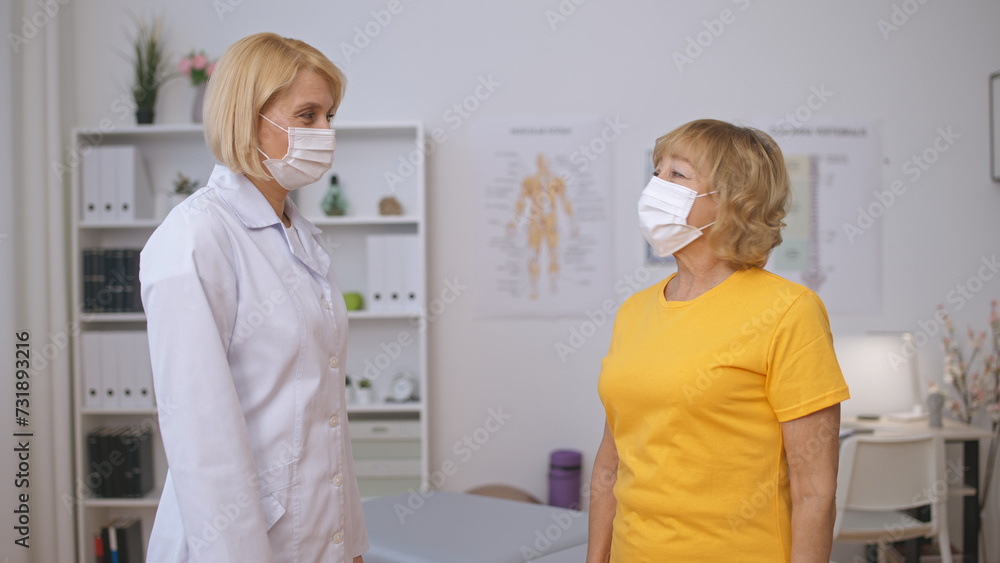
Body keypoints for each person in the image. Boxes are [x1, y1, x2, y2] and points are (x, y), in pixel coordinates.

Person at [140, 33, 367, 562]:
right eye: (307, 115)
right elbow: (202, 434)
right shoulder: (197, 237)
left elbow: (327, 415)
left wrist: (351, 539)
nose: (325, 132)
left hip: (317, 538)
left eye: (329, 116)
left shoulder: (301, 237)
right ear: (247, 117)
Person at [586, 119, 850, 562]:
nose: (656, 186)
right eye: (657, 171)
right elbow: (610, 465)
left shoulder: (789, 311)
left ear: (732, 200)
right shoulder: (633, 311)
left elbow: (814, 494)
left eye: (677, 174)